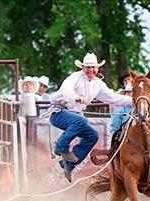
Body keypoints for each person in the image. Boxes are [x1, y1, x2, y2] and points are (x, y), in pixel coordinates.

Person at [48, 52, 132, 182]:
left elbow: (113, 98)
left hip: (74, 117)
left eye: (93, 67)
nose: (91, 70)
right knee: (82, 120)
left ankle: (68, 164)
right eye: (88, 67)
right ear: (82, 68)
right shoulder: (74, 77)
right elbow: (66, 89)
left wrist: (135, 101)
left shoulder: (98, 84)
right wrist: (75, 97)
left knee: (92, 135)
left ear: (97, 68)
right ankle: (60, 147)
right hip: (58, 113)